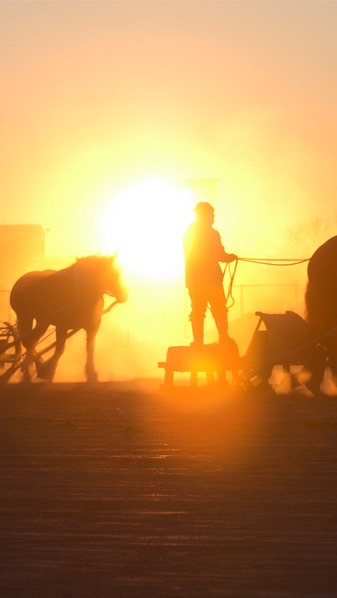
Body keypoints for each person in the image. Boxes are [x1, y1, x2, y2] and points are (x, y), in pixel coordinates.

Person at [183, 201, 237, 346]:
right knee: (219, 309)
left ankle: (199, 342)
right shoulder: (211, 234)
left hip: (195, 280)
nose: (213, 218)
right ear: (204, 215)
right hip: (211, 280)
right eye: (211, 215)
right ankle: (223, 338)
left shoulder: (190, 232)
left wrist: (226, 257)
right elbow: (219, 255)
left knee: (198, 311)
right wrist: (228, 257)